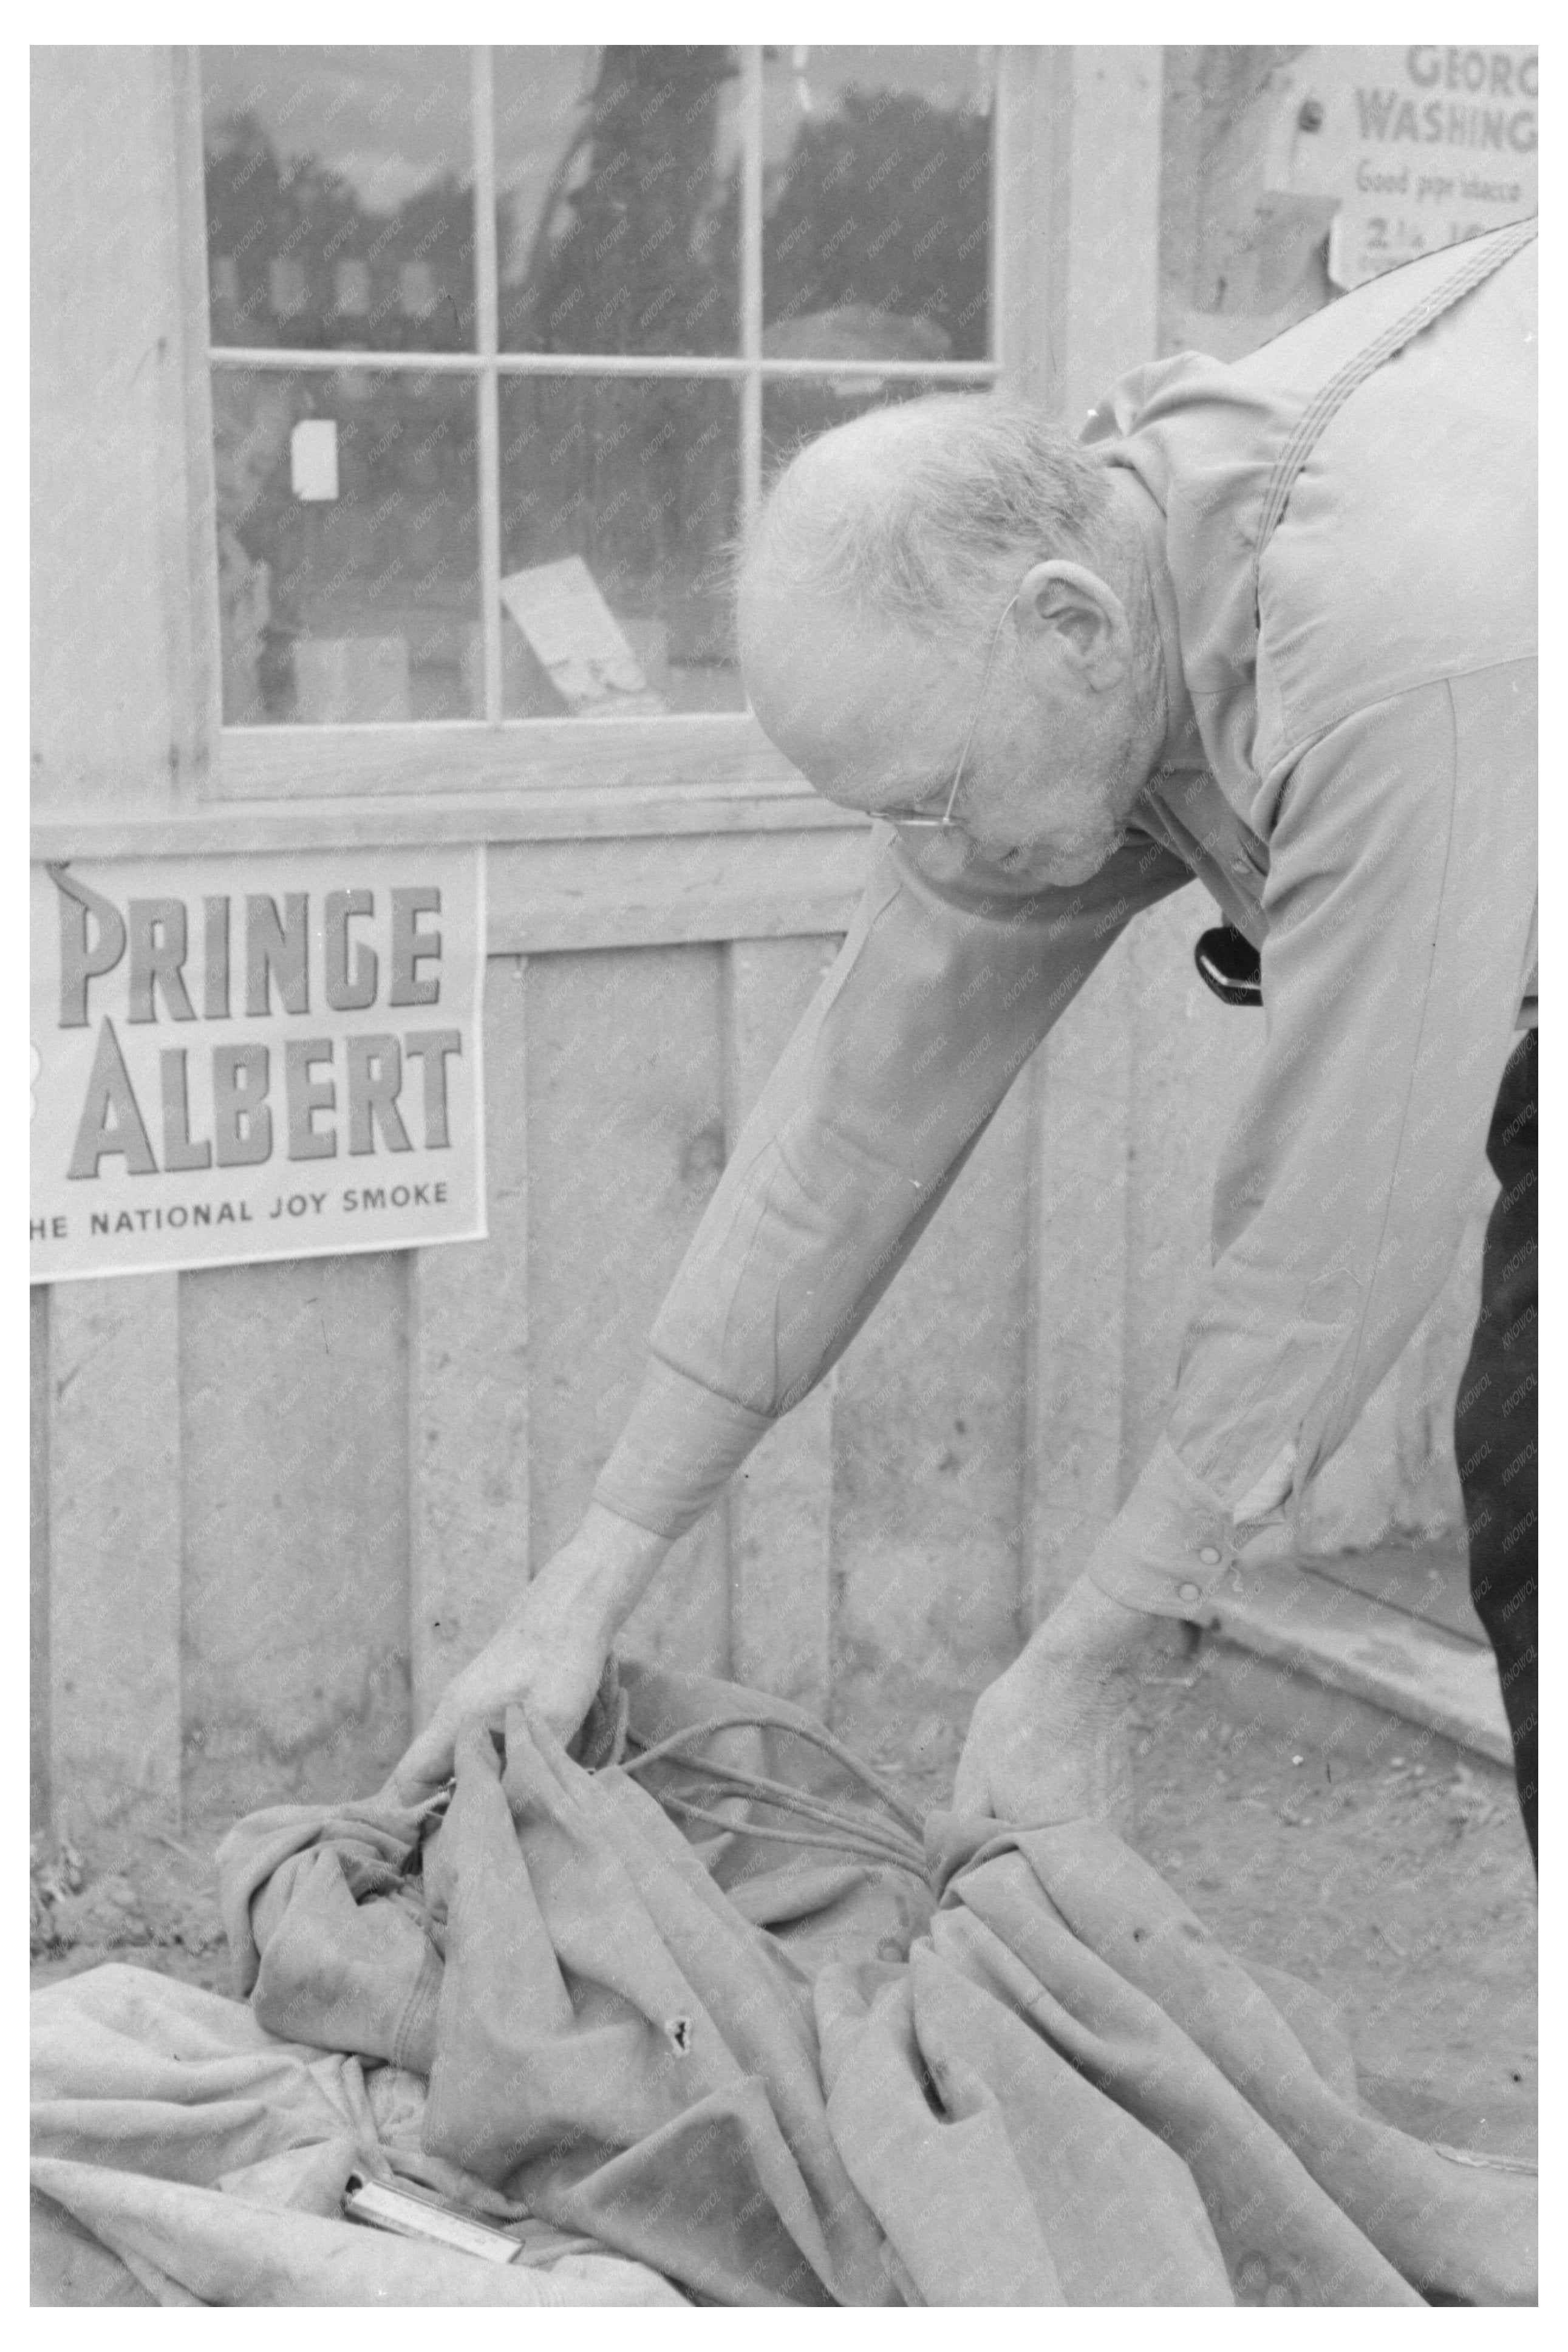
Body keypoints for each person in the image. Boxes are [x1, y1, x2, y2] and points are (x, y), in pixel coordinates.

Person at [393, 220, 1537, 1857]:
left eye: (934, 796)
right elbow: (850, 1136)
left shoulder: (1382, 633)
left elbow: (1337, 1234)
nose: (935, 842)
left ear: (1070, 627)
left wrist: (1089, 1657)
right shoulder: (1085, 633)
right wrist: (586, 1577)